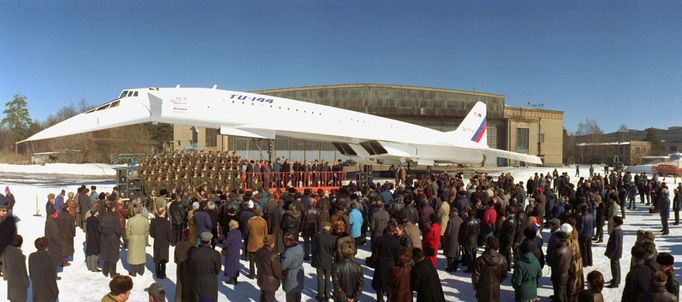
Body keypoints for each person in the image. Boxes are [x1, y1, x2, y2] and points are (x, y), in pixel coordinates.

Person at [472, 236, 507, 302]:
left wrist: (477, 288)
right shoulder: (503, 259)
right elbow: (504, 274)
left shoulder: (480, 260)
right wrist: (497, 281)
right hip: (495, 290)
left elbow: (475, 277)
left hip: (483, 290)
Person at [372, 223, 400, 302]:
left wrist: (373, 262)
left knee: (379, 285)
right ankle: (389, 299)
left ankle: (380, 300)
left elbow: (375, 253)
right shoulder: (396, 241)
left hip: (380, 264)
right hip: (391, 265)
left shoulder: (380, 239)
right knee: (390, 285)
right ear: (393, 231)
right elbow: (397, 256)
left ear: (387, 230)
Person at [191, 232, 221, 302]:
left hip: (197, 281)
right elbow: (217, 270)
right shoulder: (215, 254)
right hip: (210, 283)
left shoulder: (194, 252)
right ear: (210, 241)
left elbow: (192, 267)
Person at [29, 237, 59, 301]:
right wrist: (56, 292)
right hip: (47, 294)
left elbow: (31, 274)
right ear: (46, 246)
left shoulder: (31, 257)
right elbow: (51, 279)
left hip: (36, 293)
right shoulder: (48, 258)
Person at [312, 222, 336, 301]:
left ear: (323, 228)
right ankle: (327, 295)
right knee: (327, 278)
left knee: (320, 278)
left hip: (319, 260)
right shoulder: (333, 238)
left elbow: (314, 248)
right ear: (329, 229)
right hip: (329, 261)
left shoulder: (318, 237)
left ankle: (320, 295)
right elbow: (334, 251)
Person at [255, 235, 282, 302]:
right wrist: (281, 276)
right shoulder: (273, 256)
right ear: (272, 243)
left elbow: (257, 265)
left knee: (263, 296)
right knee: (269, 299)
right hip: (270, 283)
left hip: (261, 278)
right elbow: (277, 272)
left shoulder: (259, 251)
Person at [2, 235, 28, 302]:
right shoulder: (20, 256)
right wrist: (27, 283)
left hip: (11, 288)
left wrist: (5, 276)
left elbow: (4, 268)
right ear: (20, 244)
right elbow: (23, 272)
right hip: (20, 288)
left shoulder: (6, 252)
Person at [547, 229, 572, 302]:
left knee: (560, 293)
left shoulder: (558, 251)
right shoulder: (568, 248)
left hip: (558, 275)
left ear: (559, 239)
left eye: (556, 238)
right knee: (562, 291)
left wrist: (549, 257)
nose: (555, 239)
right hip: (565, 273)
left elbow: (551, 262)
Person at [126, 206, 150, 276]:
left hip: (133, 239)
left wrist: (128, 238)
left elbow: (128, 231)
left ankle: (133, 272)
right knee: (141, 255)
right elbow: (147, 231)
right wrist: (145, 238)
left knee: (133, 256)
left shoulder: (130, 220)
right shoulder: (145, 220)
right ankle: (141, 271)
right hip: (142, 239)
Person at [281, 233, 305, 302]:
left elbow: (283, 266)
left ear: (287, 241)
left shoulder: (289, 252)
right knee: (297, 292)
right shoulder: (300, 247)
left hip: (291, 274)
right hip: (299, 271)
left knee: (290, 295)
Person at [100, 203, 122, 278]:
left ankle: (105, 271)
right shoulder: (114, 217)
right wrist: (119, 235)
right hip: (113, 239)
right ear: (112, 209)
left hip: (105, 238)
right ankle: (113, 273)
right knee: (113, 256)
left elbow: (99, 228)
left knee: (106, 254)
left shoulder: (103, 216)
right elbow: (118, 229)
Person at [150, 208, 171, 279]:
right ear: (163, 213)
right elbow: (169, 234)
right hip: (165, 242)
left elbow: (151, 233)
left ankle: (157, 273)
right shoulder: (167, 223)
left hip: (157, 241)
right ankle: (162, 274)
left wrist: (156, 236)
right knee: (163, 258)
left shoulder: (153, 221)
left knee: (157, 257)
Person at [247, 208, 268, 279]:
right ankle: (260, 274)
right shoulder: (263, 221)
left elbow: (246, 231)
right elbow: (266, 233)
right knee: (260, 261)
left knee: (252, 260)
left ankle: (252, 274)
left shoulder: (250, 221)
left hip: (252, 243)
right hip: (260, 244)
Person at [175, 229, 194, 302]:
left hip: (179, 266)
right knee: (188, 284)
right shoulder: (192, 246)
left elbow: (175, 258)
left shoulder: (178, 244)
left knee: (179, 284)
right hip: (189, 268)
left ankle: (178, 299)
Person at [604, 216, 623, 288]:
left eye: (613, 221)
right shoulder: (619, 230)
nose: (612, 222)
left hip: (615, 253)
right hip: (617, 252)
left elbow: (615, 244)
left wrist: (611, 254)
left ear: (616, 223)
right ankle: (617, 279)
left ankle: (615, 283)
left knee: (614, 267)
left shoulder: (616, 232)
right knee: (616, 266)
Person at [222, 220, 241, 285]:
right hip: (236, 250)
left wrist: (224, 243)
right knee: (235, 264)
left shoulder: (230, 233)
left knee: (230, 265)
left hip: (231, 250)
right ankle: (235, 279)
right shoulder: (239, 232)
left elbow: (227, 242)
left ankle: (232, 280)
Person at [44, 210, 63, 275]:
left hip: (49, 242)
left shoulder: (48, 220)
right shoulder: (53, 223)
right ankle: (54, 275)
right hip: (53, 244)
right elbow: (55, 236)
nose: (57, 214)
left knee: (51, 258)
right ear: (53, 214)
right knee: (54, 260)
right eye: (56, 213)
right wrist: (59, 243)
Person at [85, 207, 102, 272]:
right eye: (97, 211)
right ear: (95, 213)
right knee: (95, 253)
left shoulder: (88, 219)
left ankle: (89, 266)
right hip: (95, 237)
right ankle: (94, 267)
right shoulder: (96, 221)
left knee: (89, 251)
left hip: (89, 237)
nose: (98, 212)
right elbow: (98, 230)